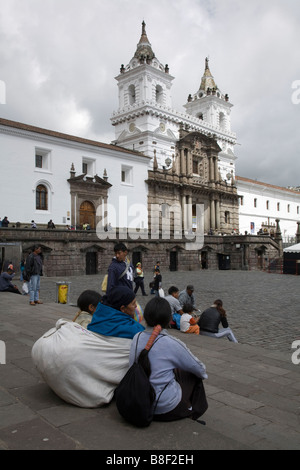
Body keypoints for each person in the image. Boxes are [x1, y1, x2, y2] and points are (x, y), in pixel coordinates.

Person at [129, 297, 208, 422]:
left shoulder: (136, 337)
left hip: (138, 399)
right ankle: (193, 412)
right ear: (169, 319)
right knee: (193, 373)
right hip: (162, 407)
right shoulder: (170, 343)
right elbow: (200, 369)